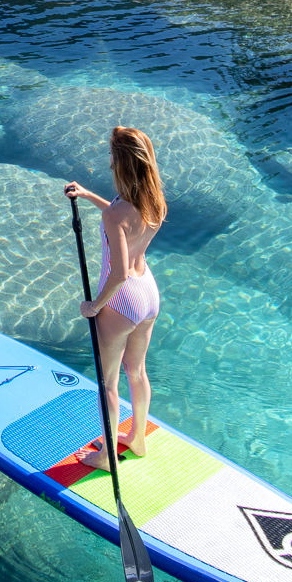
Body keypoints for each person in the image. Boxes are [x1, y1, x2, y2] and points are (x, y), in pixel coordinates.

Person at [63, 126, 167, 462]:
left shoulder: (115, 215)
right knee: (137, 372)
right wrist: (88, 195)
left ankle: (107, 456)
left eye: (111, 156)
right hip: (148, 293)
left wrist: (95, 306)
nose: (108, 162)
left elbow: (119, 273)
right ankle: (138, 439)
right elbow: (124, 219)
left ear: (121, 163)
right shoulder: (153, 202)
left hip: (122, 301)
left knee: (108, 384)